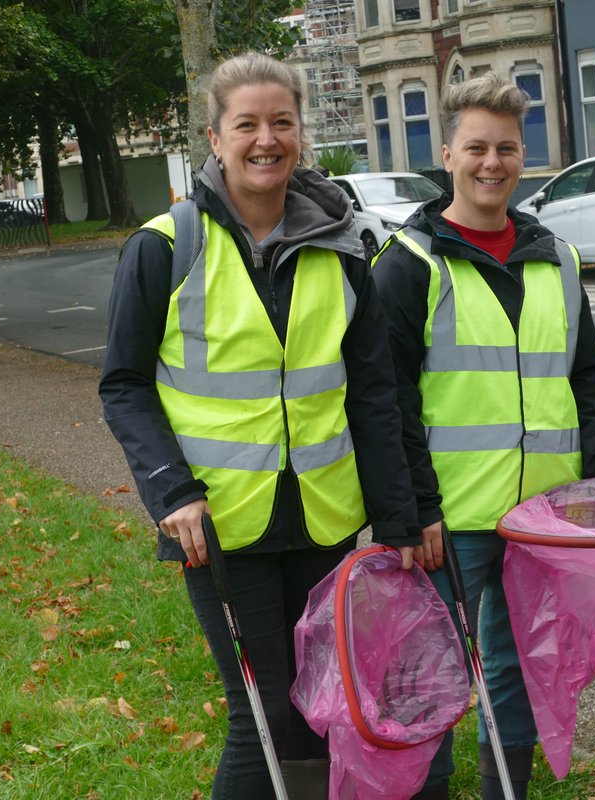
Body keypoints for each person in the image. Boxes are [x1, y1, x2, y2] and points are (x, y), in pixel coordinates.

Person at [99, 52, 420, 800]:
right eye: (247, 124)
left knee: (318, 713)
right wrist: (170, 490)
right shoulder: (165, 245)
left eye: (282, 122)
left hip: (326, 523)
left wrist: (399, 520)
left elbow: (374, 393)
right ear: (215, 137)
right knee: (263, 716)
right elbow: (123, 384)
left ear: (301, 133)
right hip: (216, 527)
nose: (266, 139)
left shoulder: (344, 245)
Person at [371, 71, 595, 800]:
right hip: (448, 522)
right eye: (477, 148)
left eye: (509, 149)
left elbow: (585, 379)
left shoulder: (558, 258)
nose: (494, 164)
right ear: (448, 155)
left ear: (524, 156)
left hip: (542, 518)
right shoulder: (409, 264)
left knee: (519, 668)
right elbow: (386, 403)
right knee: (429, 672)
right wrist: (412, 511)